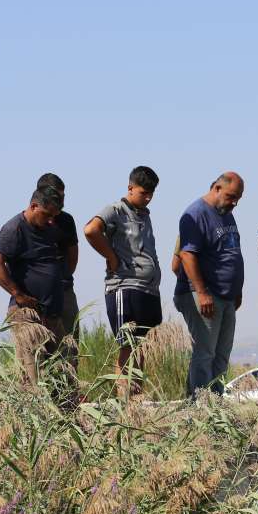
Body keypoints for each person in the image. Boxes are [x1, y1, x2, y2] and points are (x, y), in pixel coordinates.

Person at [82, 165, 163, 397]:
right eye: (143, 192)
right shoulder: (116, 210)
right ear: (130, 188)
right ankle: (124, 402)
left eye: (151, 194)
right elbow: (90, 230)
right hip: (124, 287)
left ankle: (135, 399)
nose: (147, 198)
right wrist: (111, 256)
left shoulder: (144, 215)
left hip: (148, 290)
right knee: (128, 346)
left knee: (142, 348)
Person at [0, 185, 72, 386]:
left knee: (63, 373)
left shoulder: (50, 229)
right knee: (32, 378)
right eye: (47, 215)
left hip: (52, 314)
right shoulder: (14, 228)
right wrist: (17, 294)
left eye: (54, 216)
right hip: (27, 315)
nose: (51, 220)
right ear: (34, 206)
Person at [175, 171, 245, 398]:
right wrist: (202, 292)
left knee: (221, 355)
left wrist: (237, 289)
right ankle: (201, 406)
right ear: (216, 188)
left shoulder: (226, 213)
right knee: (205, 354)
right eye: (231, 196)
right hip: (204, 294)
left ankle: (216, 403)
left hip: (227, 297)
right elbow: (186, 256)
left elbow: (229, 254)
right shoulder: (196, 214)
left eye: (238, 198)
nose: (234, 202)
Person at [35, 173, 80, 361]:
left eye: (63, 196)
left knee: (69, 348)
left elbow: (72, 257)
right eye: (56, 196)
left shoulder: (66, 221)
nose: (60, 201)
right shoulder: (29, 220)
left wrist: (61, 279)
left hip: (64, 291)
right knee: (39, 351)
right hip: (36, 297)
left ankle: (69, 390)